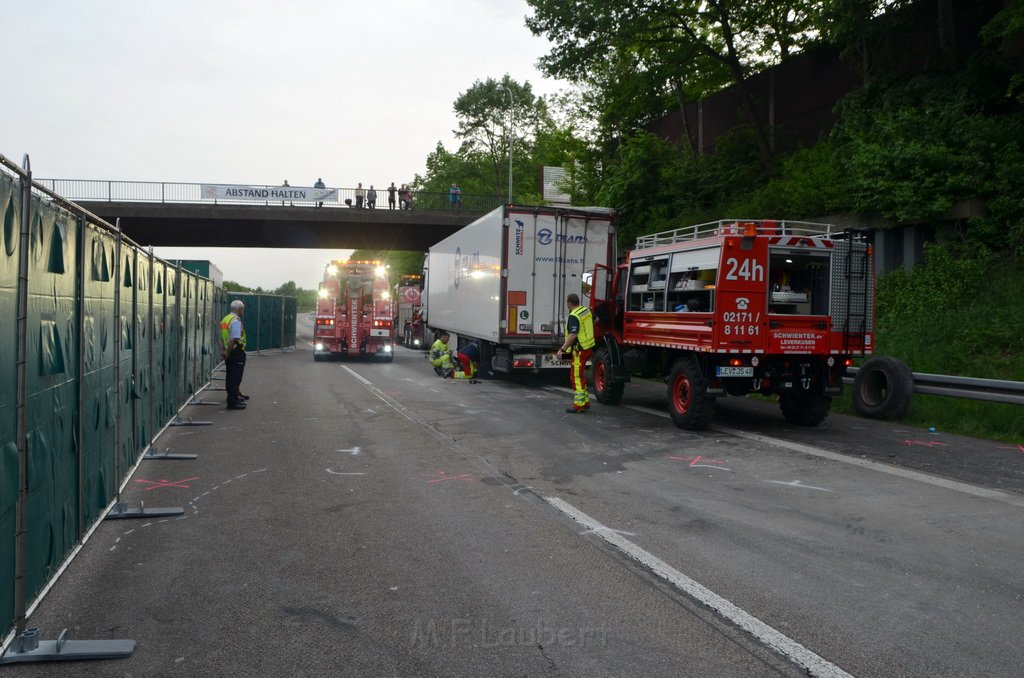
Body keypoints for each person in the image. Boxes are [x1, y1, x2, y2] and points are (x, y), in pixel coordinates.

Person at [555, 293, 595, 413]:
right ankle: (585, 401)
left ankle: (579, 404)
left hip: (579, 350)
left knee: (576, 377)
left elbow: (573, 335)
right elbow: (596, 320)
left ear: (569, 303)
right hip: (588, 347)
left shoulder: (574, 316)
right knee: (581, 376)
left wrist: (562, 350)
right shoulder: (586, 310)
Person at [220, 300, 248, 410]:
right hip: (236, 352)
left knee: (230, 376)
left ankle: (233, 398)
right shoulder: (235, 321)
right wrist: (228, 352)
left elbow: (222, 337)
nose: (243, 311)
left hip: (229, 352)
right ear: (238, 309)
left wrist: (224, 350)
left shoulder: (225, 319)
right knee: (235, 378)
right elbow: (233, 339)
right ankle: (232, 402)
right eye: (242, 308)